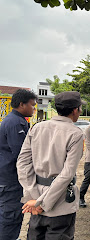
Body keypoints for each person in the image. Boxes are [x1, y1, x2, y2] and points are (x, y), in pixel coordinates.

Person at [16, 91, 85, 239]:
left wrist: (34, 198)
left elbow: (22, 163)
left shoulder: (37, 127)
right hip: (59, 204)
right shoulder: (76, 134)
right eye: (80, 108)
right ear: (75, 110)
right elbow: (66, 174)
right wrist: (43, 203)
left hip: (36, 199)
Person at [0, 89, 37, 240]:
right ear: (22, 104)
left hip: (8, 178)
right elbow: (22, 155)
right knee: (10, 218)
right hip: (11, 181)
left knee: (9, 217)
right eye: (32, 105)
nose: (34, 109)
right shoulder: (16, 123)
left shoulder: (15, 120)